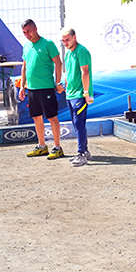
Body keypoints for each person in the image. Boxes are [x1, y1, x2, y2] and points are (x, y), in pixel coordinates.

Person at [19, 19, 65, 160]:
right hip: (31, 89)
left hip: (46, 88)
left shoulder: (47, 44)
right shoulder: (26, 46)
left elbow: (58, 63)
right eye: (24, 32)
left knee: (51, 117)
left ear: (35, 28)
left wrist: (58, 82)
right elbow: (24, 67)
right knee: (36, 117)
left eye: (29, 31)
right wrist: (22, 86)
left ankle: (57, 147)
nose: (27, 34)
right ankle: (42, 146)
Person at [61, 27, 94, 167]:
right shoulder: (68, 53)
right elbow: (68, 72)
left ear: (74, 37)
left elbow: (85, 72)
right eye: (63, 40)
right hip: (70, 94)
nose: (65, 43)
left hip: (80, 95)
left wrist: (86, 92)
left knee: (79, 124)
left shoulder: (82, 51)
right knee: (76, 124)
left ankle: (81, 154)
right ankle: (85, 151)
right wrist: (65, 87)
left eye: (67, 40)